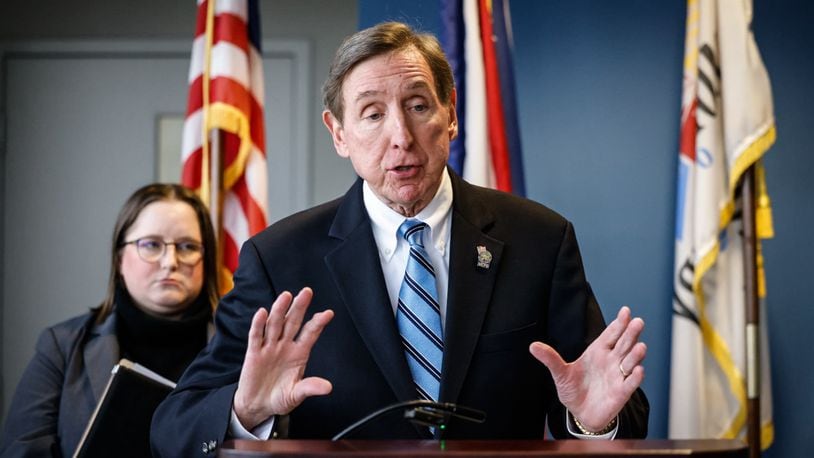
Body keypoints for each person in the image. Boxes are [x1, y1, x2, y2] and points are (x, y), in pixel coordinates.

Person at [150, 22, 649, 456]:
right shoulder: (280, 259)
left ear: (450, 115)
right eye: (372, 113)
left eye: (417, 106)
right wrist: (245, 409)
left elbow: (609, 401)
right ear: (339, 133)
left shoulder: (539, 241)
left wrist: (591, 421)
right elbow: (175, 428)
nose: (401, 137)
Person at [0, 183, 219, 457]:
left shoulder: (238, 348)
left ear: (206, 259)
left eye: (187, 246)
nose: (170, 261)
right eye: (151, 245)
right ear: (118, 259)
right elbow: (21, 450)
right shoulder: (62, 346)